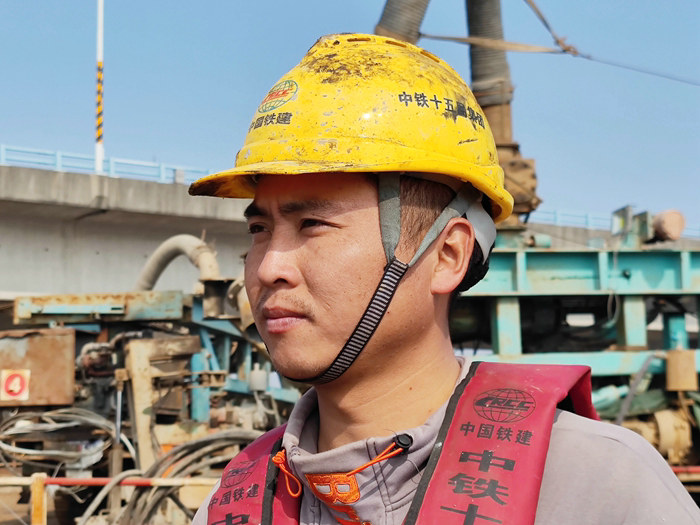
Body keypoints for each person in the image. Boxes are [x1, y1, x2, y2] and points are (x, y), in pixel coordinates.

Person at [189, 34, 699, 525]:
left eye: (312, 225)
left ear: (447, 255)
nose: (268, 267)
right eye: (259, 229)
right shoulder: (230, 503)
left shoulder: (599, 487)